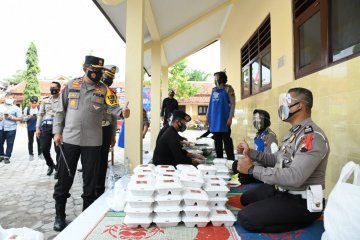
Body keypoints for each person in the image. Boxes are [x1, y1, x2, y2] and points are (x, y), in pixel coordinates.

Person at [52, 56, 130, 232]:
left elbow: (114, 110)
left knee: (91, 181)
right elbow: (60, 110)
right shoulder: (71, 85)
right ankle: (59, 215)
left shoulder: (104, 90)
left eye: (100, 71)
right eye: (95, 69)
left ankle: (86, 215)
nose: (98, 73)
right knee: (65, 178)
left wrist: (124, 112)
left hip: (93, 142)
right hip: (70, 139)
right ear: (85, 68)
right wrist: (57, 132)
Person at [236, 87, 329, 233]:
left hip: (302, 200)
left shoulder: (312, 136)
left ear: (299, 106)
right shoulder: (293, 132)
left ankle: (302, 219)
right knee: (246, 199)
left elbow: (296, 177)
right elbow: (276, 159)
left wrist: (252, 169)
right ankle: (277, 207)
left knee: (246, 218)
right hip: (282, 189)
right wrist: (251, 153)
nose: (282, 107)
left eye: (287, 102)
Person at [95, 64, 129, 198]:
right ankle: (90, 192)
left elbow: (114, 116)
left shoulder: (110, 93)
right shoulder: (93, 89)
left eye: (111, 77)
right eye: (107, 76)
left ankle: (99, 191)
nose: (109, 80)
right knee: (91, 162)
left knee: (102, 162)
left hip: (105, 130)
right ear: (101, 74)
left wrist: (112, 134)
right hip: (91, 130)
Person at [229, 109, 278, 184]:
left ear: (266, 121)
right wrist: (244, 151)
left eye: (258, 119)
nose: (255, 121)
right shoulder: (258, 135)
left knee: (238, 168)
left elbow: (269, 161)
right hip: (256, 164)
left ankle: (251, 177)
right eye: (254, 119)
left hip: (263, 168)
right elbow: (256, 153)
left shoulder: (270, 136)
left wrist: (251, 165)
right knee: (236, 164)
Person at [207, 71, 235, 160]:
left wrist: (230, 117)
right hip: (215, 119)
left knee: (227, 140)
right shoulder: (213, 90)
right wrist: (207, 115)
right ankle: (219, 159)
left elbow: (233, 104)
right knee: (217, 141)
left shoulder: (228, 89)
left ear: (221, 78)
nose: (215, 80)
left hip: (224, 119)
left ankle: (231, 160)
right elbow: (210, 104)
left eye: (216, 78)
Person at [36, 82, 61, 177]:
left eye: (54, 87)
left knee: (58, 149)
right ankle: (50, 165)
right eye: (51, 87)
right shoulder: (45, 100)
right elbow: (40, 114)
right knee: (44, 148)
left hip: (58, 126)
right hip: (46, 126)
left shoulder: (63, 99)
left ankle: (58, 169)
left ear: (59, 88)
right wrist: (37, 128)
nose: (52, 89)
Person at [0, 95, 22, 164]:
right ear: (5, 98)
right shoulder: (0, 106)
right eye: (8, 98)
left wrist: (11, 118)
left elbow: (21, 118)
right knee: (0, 142)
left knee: (10, 143)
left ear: (13, 99)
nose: (9, 99)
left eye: (11, 98)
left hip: (11, 128)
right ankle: (1, 155)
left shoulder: (16, 108)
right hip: (1, 127)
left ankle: (7, 156)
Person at [24, 96, 42, 161]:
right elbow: (24, 119)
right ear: (30, 102)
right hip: (30, 126)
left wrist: (38, 117)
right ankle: (31, 154)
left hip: (38, 126)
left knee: (39, 141)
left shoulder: (40, 108)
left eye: (35, 103)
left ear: (37, 102)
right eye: (32, 103)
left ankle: (40, 153)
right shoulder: (27, 109)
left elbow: (43, 117)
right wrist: (28, 117)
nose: (34, 104)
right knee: (30, 141)